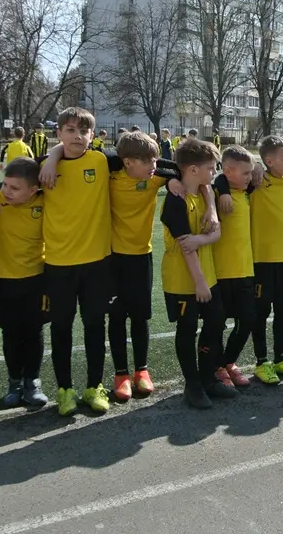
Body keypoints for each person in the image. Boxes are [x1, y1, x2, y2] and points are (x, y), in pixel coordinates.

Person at [36, 108, 116, 417]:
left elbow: (148, 161)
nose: (77, 136)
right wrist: (52, 158)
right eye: (70, 130)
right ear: (58, 133)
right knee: (61, 328)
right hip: (58, 264)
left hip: (97, 263)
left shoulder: (102, 161)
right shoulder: (42, 168)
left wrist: (176, 182)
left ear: (92, 136)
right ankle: (65, 389)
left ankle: (94, 386)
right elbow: (7, 185)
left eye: (83, 131)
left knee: (95, 326)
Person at [104, 131, 183, 401]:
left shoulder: (155, 177)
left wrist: (172, 179)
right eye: (147, 161)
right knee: (116, 317)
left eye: (155, 159)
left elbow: (180, 168)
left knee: (140, 316)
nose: (154, 165)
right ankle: (120, 374)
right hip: (112, 259)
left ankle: (142, 370)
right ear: (127, 162)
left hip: (141, 258)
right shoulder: (108, 176)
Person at [159, 137, 238, 409]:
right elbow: (186, 248)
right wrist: (200, 283)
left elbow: (216, 234)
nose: (215, 172)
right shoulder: (175, 201)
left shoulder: (206, 192)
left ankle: (207, 378)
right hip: (185, 280)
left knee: (216, 323)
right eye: (211, 167)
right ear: (193, 170)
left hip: (208, 276)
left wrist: (203, 236)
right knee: (187, 329)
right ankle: (192, 386)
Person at [0, 157, 49, 408]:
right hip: (3, 279)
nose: (7, 191)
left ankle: (32, 381)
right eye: (5, 185)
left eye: (15, 188)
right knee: (11, 333)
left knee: (34, 331)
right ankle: (14, 381)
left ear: (33, 190)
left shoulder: (45, 201)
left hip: (37, 278)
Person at [244, 135, 283, 383]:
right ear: (269, 161)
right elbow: (227, 172)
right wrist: (255, 164)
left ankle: (280, 358)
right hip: (261, 260)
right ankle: (261, 361)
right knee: (260, 311)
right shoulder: (256, 180)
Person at [211, 145, 256, 387]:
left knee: (247, 320)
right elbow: (213, 179)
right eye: (245, 173)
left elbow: (263, 172)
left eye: (250, 172)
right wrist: (223, 187)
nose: (250, 177)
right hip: (221, 272)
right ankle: (217, 367)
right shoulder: (216, 193)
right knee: (217, 324)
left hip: (246, 270)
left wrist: (255, 171)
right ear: (228, 171)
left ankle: (228, 361)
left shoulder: (246, 191)